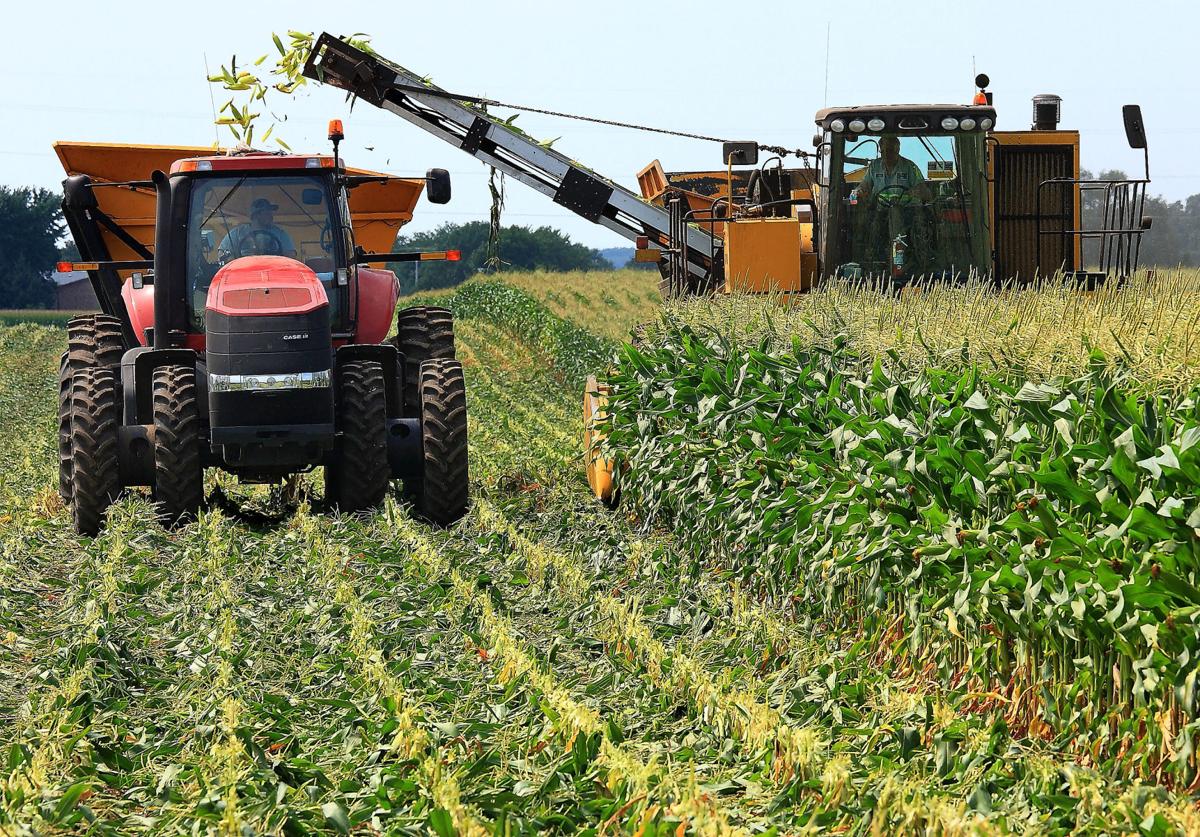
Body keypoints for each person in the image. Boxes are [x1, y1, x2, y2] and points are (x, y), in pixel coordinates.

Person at [854, 136, 931, 205]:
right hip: (880, 213)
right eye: (883, 151)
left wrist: (917, 191)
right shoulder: (874, 166)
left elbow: (924, 191)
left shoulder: (910, 167)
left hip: (906, 212)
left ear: (898, 150)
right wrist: (858, 191)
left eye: (890, 150)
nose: (886, 155)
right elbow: (865, 185)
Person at [218, 198, 297, 261]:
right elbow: (222, 254)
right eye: (267, 213)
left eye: (271, 213)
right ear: (256, 215)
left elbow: (291, 256)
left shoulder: (280, 233)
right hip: (244, 274)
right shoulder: (237, 233)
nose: (271, 216)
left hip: (273, 273)